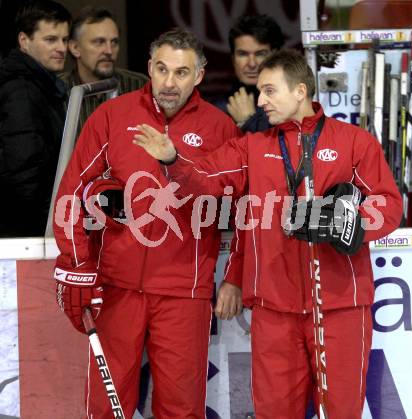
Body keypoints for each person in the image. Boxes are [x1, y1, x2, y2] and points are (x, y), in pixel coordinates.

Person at [133, 49, 403, 418]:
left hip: (341, 305)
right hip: (275, 308)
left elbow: (388, 204)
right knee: (275, 412)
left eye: (269, 91)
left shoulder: (354, 142)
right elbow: (206, 178)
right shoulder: (253, 146)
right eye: (259, 91)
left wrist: (349, 221)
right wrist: (172, 159)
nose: (260, 102)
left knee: (342, 411)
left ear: (300, 92)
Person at [53, 28, 243, 418]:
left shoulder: (219, 128)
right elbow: (72, 192)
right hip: (117, 285)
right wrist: (77, 265)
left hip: (183, 291)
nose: (169, 83)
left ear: (200, 76)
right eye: (161, 69)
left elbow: (239, 208)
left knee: (181, 408)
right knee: (106, 406)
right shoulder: (113, 115)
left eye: (181, 72)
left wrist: (235, 275)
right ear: (149, 69)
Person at [0, 0, 71, 237]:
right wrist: (50, 227)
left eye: (64, 39)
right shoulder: (22, 90)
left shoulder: (40, 84)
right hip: (26, 233)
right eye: (51, 39)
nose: (61, 48)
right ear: (24, 41)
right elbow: (24, 174)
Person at [62, 6, 147, 131]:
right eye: (99, 42)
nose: (109, 51)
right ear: (75, 48)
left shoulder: (139, 86)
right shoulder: (57, 91)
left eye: (114, 42)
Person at [212, 14, 284, 132]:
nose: (251, 64)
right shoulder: (216, 110)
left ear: (275, 56)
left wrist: (248, 122)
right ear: (233, 58)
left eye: (260, 54)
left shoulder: (290, 108)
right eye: (243, 54)